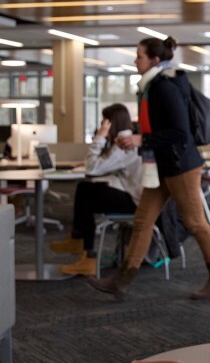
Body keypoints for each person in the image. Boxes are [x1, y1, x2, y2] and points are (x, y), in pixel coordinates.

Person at [89, 36, 210, 300]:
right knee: (142, 222)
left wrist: (142, 139)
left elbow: (180, 132)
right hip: (161, 163)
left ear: (154, 60)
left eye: (139, 56)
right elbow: (161, 127)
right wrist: (135, 136)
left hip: (180, 164)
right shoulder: (150, 87)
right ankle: (122, 281)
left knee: (196, 223)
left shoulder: (166, 86)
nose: (134, 60)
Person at [52, 104, 142, 276]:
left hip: (134, 202)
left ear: (110, 122)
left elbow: (92, 169)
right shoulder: (127, 140)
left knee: (86, 192)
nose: (102, 125)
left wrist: (100, 137)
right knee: (86, 189)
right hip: (135, 195)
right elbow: (107, 165)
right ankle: (80, 242)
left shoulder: (124, 144)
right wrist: (92, 163)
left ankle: (86, 252)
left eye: (104, 122)